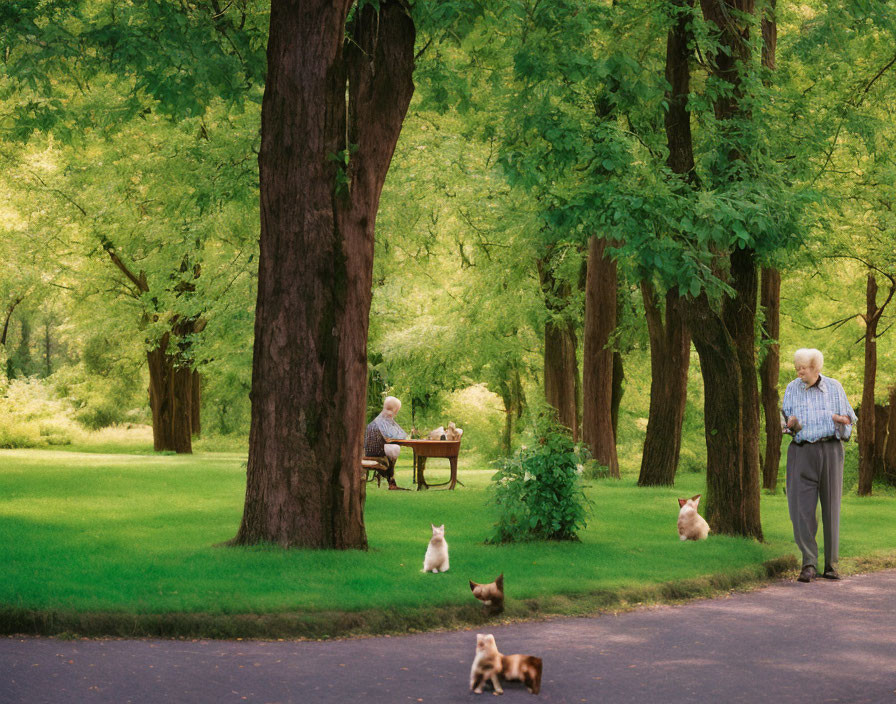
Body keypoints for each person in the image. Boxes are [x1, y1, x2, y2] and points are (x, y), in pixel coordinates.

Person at [781, 348, 857, 583]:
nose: (798, 371)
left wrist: (842, 421)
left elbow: (850, 420)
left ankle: (831, 565)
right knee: (800, 510)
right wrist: (790, 425)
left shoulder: (834, 387)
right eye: (797, 367)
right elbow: (786, 424)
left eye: (802, 367)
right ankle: (809, 563)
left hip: (831, 450)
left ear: (815, 368)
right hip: (801, 451)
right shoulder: (792, 388)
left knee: (831, 507)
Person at [364, 396, 408, 490]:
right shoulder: (386, 418)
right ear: (395, 410)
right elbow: (400, 435)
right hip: (377, 451)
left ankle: (392, 481)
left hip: (368, 450)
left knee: (392, 450)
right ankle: (392, 482)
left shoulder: (381, 417)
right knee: (395, 448)